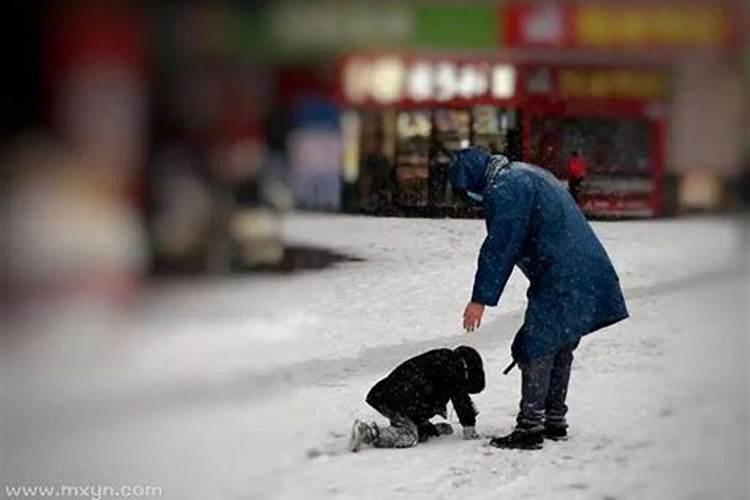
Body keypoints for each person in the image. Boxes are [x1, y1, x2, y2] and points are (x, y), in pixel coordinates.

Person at [448, 148, 628, 450]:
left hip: (563, 275)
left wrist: (480, 298)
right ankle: (554, 419)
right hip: (583, 268)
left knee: (537, 345)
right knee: (560, 344)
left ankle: (531, 427)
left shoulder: (506, 188)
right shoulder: (523, 173)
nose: (472, 199)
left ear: (473, 180)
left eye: (467, 190)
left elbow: (501, 245)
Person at [349, 346, 485, 452]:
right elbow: (461, 400)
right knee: (409, 436)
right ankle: (368, 433)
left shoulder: (442, 360)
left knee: (418, 428)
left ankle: (424, 429)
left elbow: (423, 391)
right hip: (396, 398)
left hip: (394, 395)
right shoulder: (453, 369)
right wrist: (469, 427)